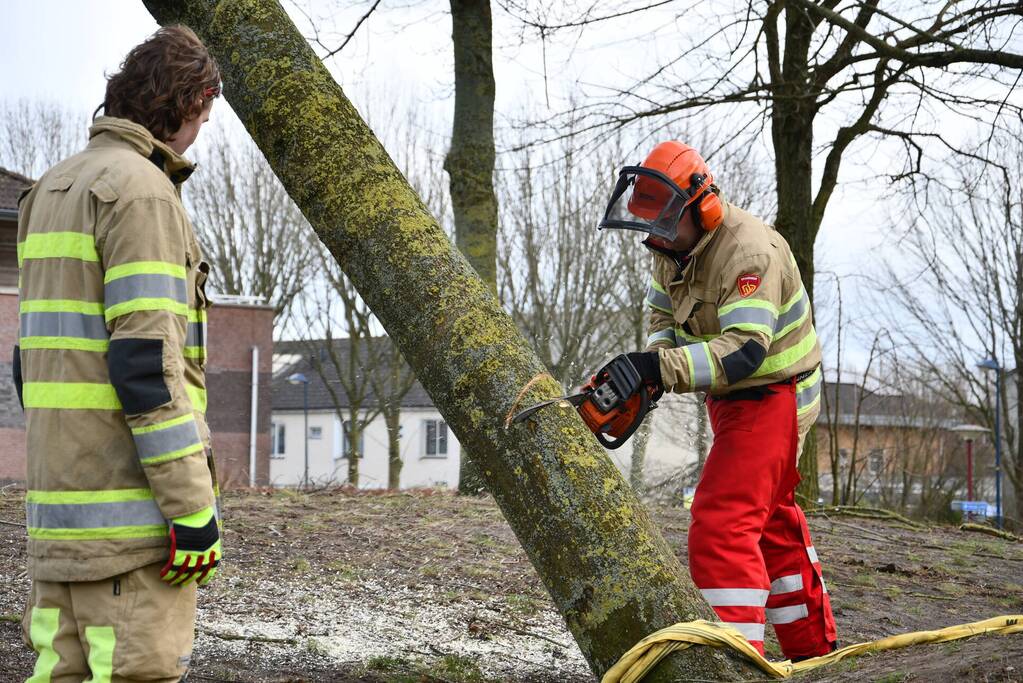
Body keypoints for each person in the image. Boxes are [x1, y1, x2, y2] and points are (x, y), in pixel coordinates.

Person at [16, 26, 221, 682]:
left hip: (57, 525)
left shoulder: (47, 191)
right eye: (204, 117)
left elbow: (32, 363)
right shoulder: (140, 193)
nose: (198, 133)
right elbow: (145, 368)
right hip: (132, 541)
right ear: (190, 103)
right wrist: (193, 510)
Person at [598, 140, 838, 660]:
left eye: (663, 225)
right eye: (649, 228)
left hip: (775, 392)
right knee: (769, 519)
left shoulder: (749, 252)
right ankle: (815, 653)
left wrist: (658, 368)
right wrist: (652, 373)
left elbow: (745, 351)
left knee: (723, 522)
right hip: (731, 397)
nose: (655, 239)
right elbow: (664, 322)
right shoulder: (671, 251)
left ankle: (732, 661)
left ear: (700, 206)